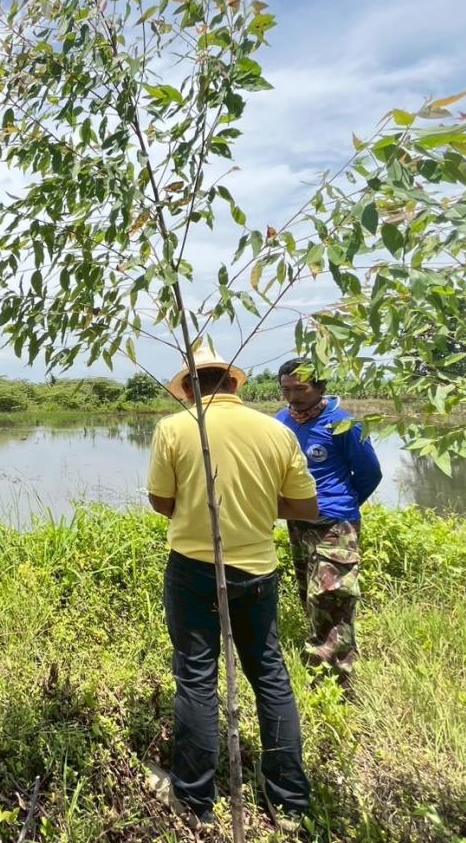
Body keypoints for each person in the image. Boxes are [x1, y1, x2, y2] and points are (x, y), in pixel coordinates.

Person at [146, 342, 318, 824]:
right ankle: (289, 802)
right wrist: (260, 507)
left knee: (196, 679)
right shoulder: (276, 431)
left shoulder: (174, 428)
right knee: (269, 675)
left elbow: (162, 502)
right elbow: (306, 508)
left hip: (193, 570)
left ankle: (195, 800)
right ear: (234, 383)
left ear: (190, 387)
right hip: (259, 570)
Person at [276, 358, 382, 690]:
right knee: (310, 595)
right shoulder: (279, 424)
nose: (293, 397)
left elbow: (369, 474)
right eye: (286, 390)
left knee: (332, 597)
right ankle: (325, 665)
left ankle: (334, 684)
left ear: (321, 387)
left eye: (301, 389)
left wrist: (340, 506)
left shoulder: (343, 424)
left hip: (335, 523)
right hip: (297, 522)